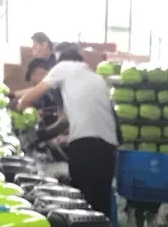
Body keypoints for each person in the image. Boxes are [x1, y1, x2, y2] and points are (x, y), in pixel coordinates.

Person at [17, 47, 117, 216]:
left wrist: (19, 108)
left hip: (84, 147)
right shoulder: (96, 78)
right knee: (101, 208)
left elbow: (29, 98)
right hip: (108, 150)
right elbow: (64, 121)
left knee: (82, 206)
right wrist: (44, 134)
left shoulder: (63, 68)